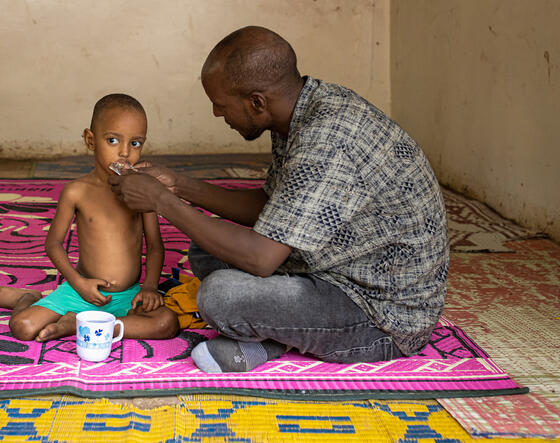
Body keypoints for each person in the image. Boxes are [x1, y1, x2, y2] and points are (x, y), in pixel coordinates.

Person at [108, 26, 449, 373]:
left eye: (220, 105)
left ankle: (277, 337)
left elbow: (260, 259)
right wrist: (178, 185)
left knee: (221, 297)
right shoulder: (299, 111)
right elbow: (270, 207)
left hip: (380, 313)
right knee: (206, 247)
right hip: (337, 264)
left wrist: (163, 201)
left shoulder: (327, 138)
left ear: (257, 102)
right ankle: (279, 331)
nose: (216, 113)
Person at [0, 93, 179, 342]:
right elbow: (53, 244)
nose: (124, 153)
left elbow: (154, 245)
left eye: (135, 143)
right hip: (80, 291)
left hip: (127, 296)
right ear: (91, 140)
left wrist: (150, 287)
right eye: (112, 140)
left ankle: (76, 325)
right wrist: (79, 284)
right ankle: (28, 298)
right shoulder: (77, 191)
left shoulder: (143, 192)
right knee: (22, 327)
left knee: (167, 324)